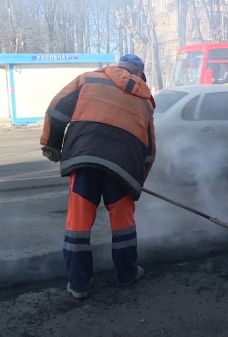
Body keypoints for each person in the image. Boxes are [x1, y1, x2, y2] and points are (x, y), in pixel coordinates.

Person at [39, 54, 156, 299]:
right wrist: (137, 180)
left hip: (84, 159)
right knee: (123, 224)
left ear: (117, 67)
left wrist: (52, 143)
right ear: (140, 74)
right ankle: (126, 274)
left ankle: (79, 285)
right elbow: (148, 150)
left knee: (78, 225)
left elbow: (58, 108)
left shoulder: (90, 79)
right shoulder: (145, 101)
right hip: (123, 168)